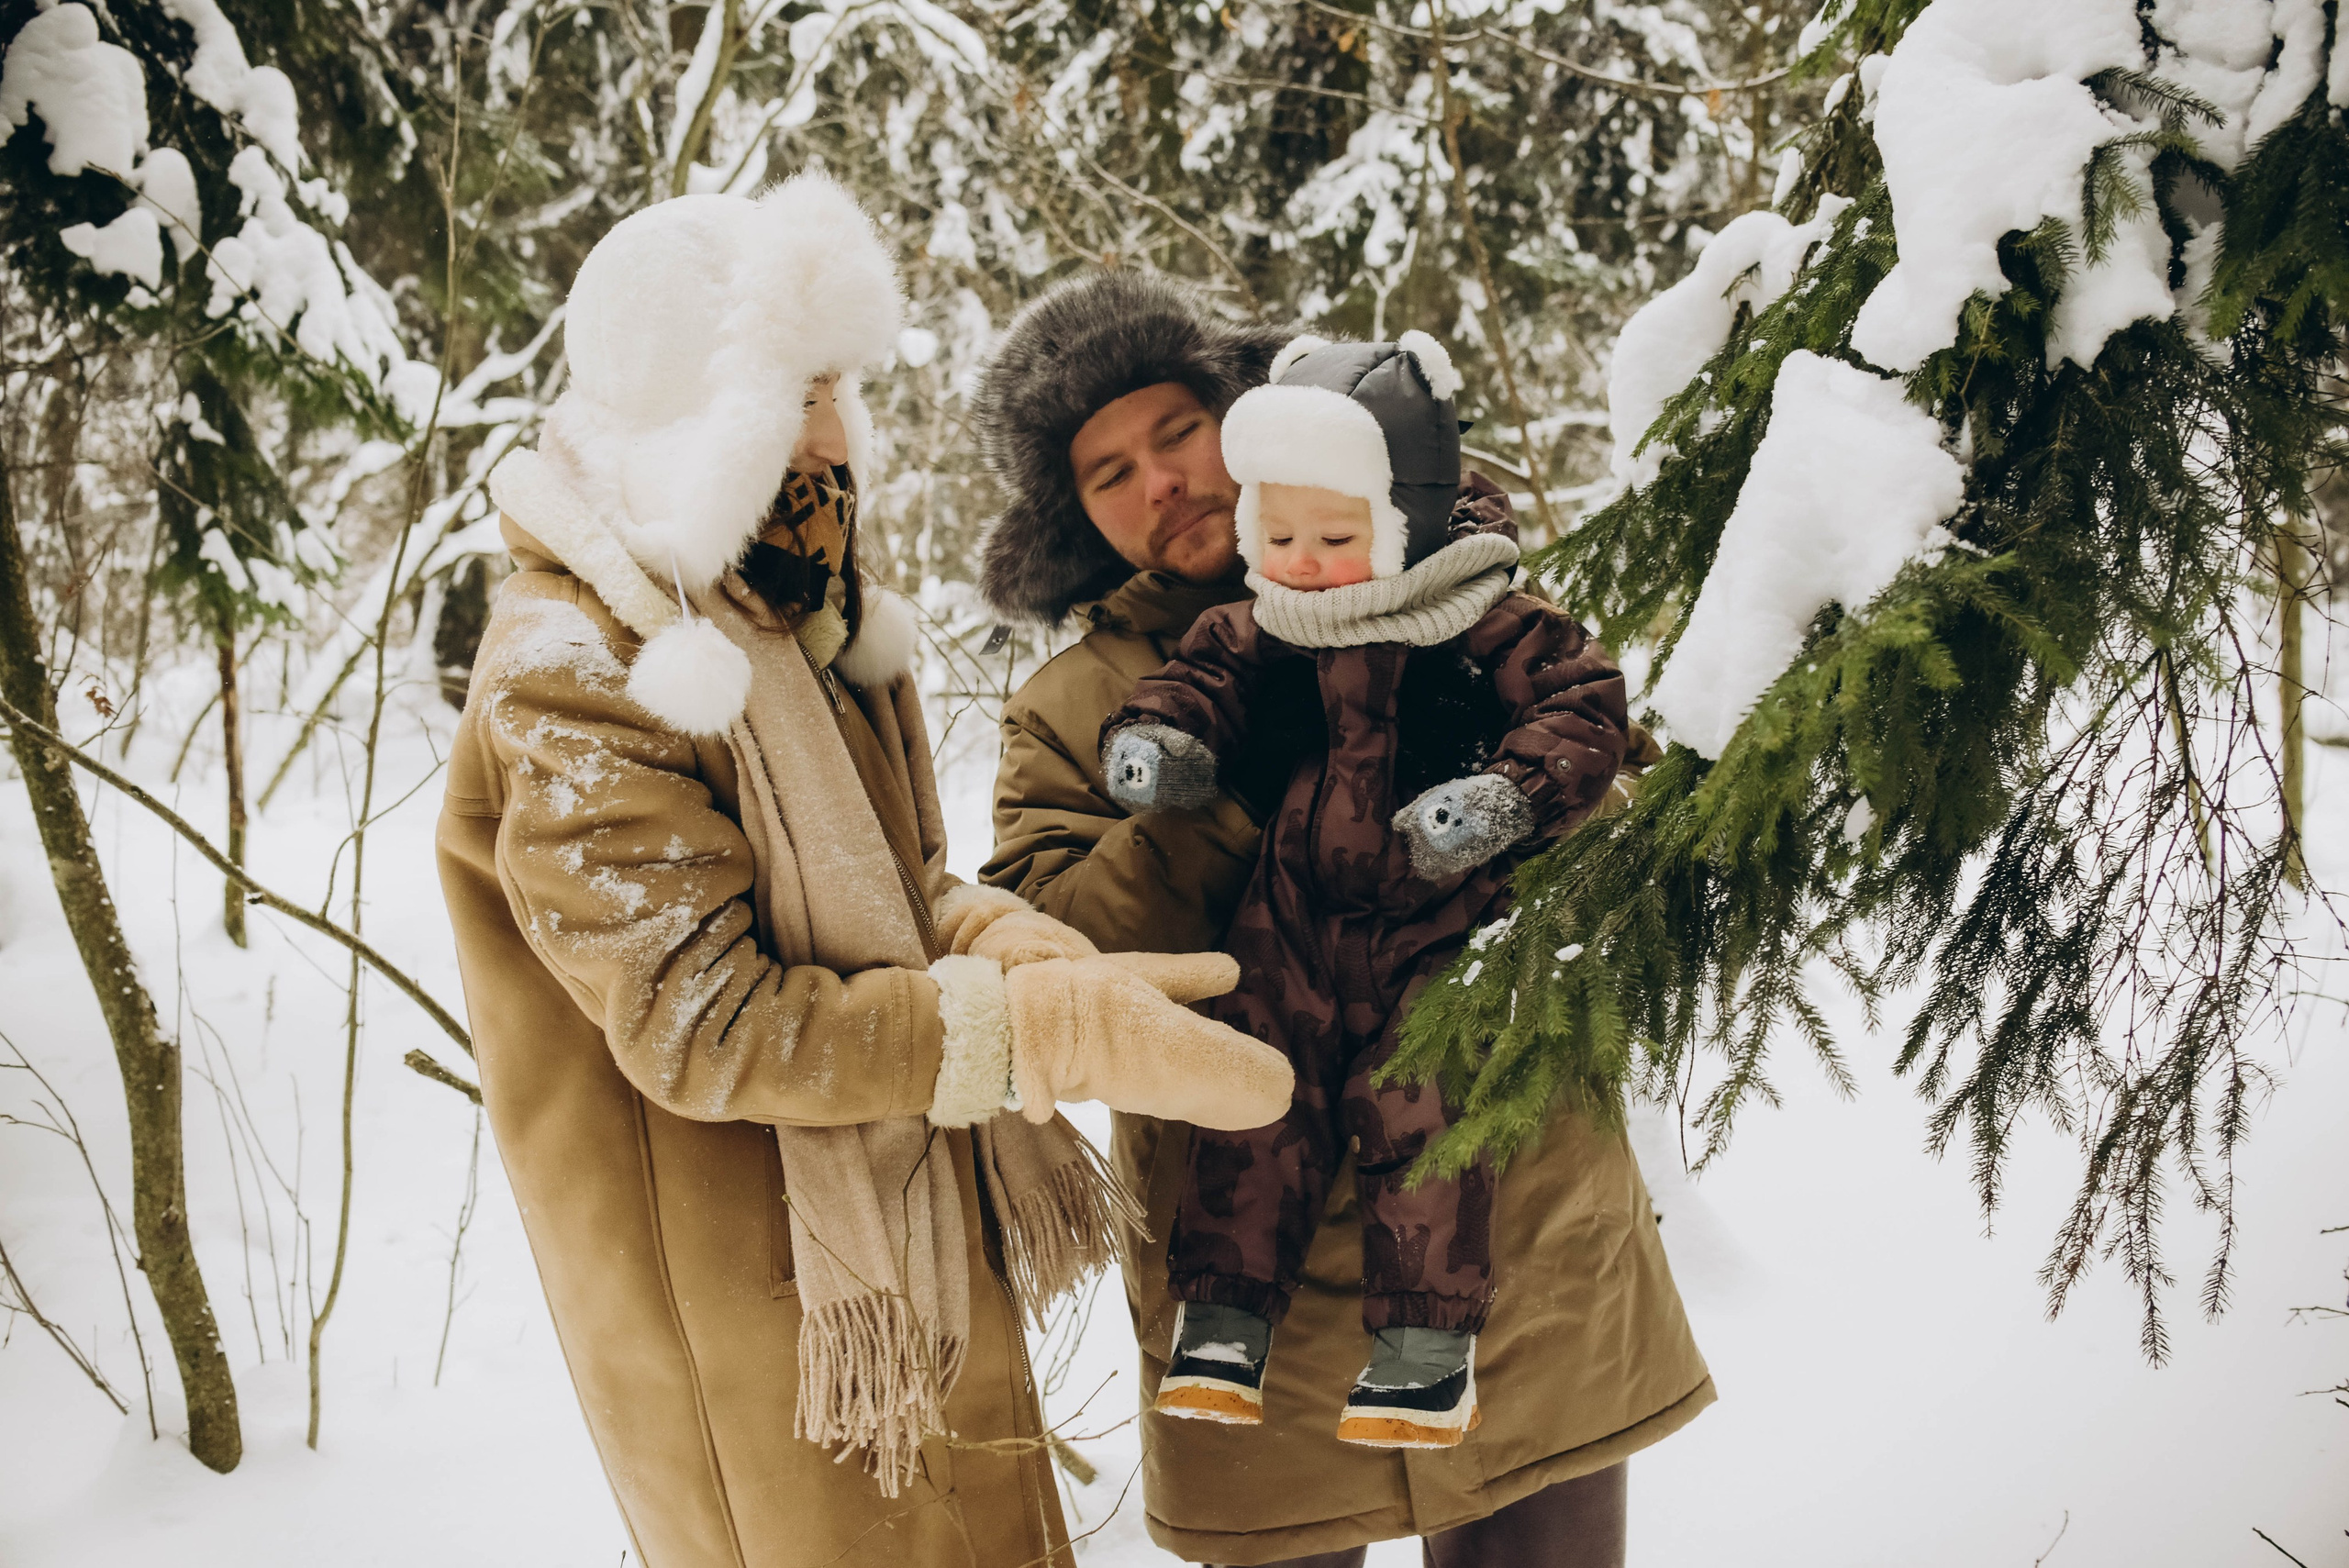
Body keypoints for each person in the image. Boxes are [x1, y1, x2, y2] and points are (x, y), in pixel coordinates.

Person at [437, 182, 1288, 1568]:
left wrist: (1016, 948)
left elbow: (907, 888)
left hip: (908, 1254)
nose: (836, 434)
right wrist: (1036, 1034)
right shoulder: (580, 667)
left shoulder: (790, 614)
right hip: (757, 1329)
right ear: (705, 415)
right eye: (800, 390)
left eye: (835, 388)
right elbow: (705, 1023)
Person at [974, 272, 1715, 1567]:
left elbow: (1618, 820)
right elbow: (1058, 951)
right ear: (1077, 518)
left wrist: (1500, 801)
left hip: (1517, 1238)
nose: (1161, 483)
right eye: (1108, 474)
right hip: (1246, 1301)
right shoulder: (1076, 702)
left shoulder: (1466, 604)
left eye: (1175, 430)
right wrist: (1221, 804)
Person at [1099, 330, 1631, 1452]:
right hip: (1287, 912)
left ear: (1408, 523)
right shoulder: (1266, 621)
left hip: (1437, 915)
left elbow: (1583, 705)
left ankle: (1423, 1347)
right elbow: (1198, 675)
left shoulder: (1480, 615)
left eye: (1335, 538)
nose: (1297, 560)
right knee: (1256, 1085)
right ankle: (1225, 1318)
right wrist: (1160, 738)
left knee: (1423, 1104)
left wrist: (1504, 795)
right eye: (1277, 534)